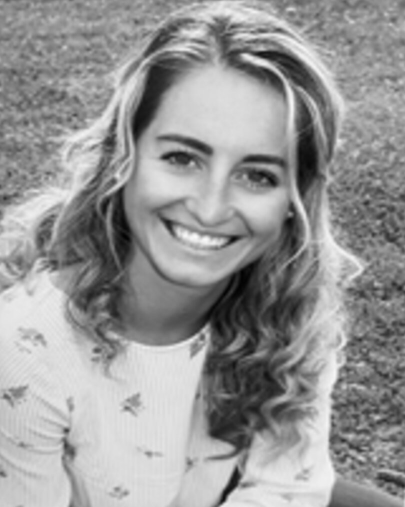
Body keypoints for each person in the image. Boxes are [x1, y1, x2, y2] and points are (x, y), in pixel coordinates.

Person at [0, 1, 400, 506]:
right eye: (182, 158)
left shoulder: (288, 309)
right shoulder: (25, 348)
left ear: (293, 203)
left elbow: (285, 491)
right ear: (122, 157)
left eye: (257, 176)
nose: (210, 209)